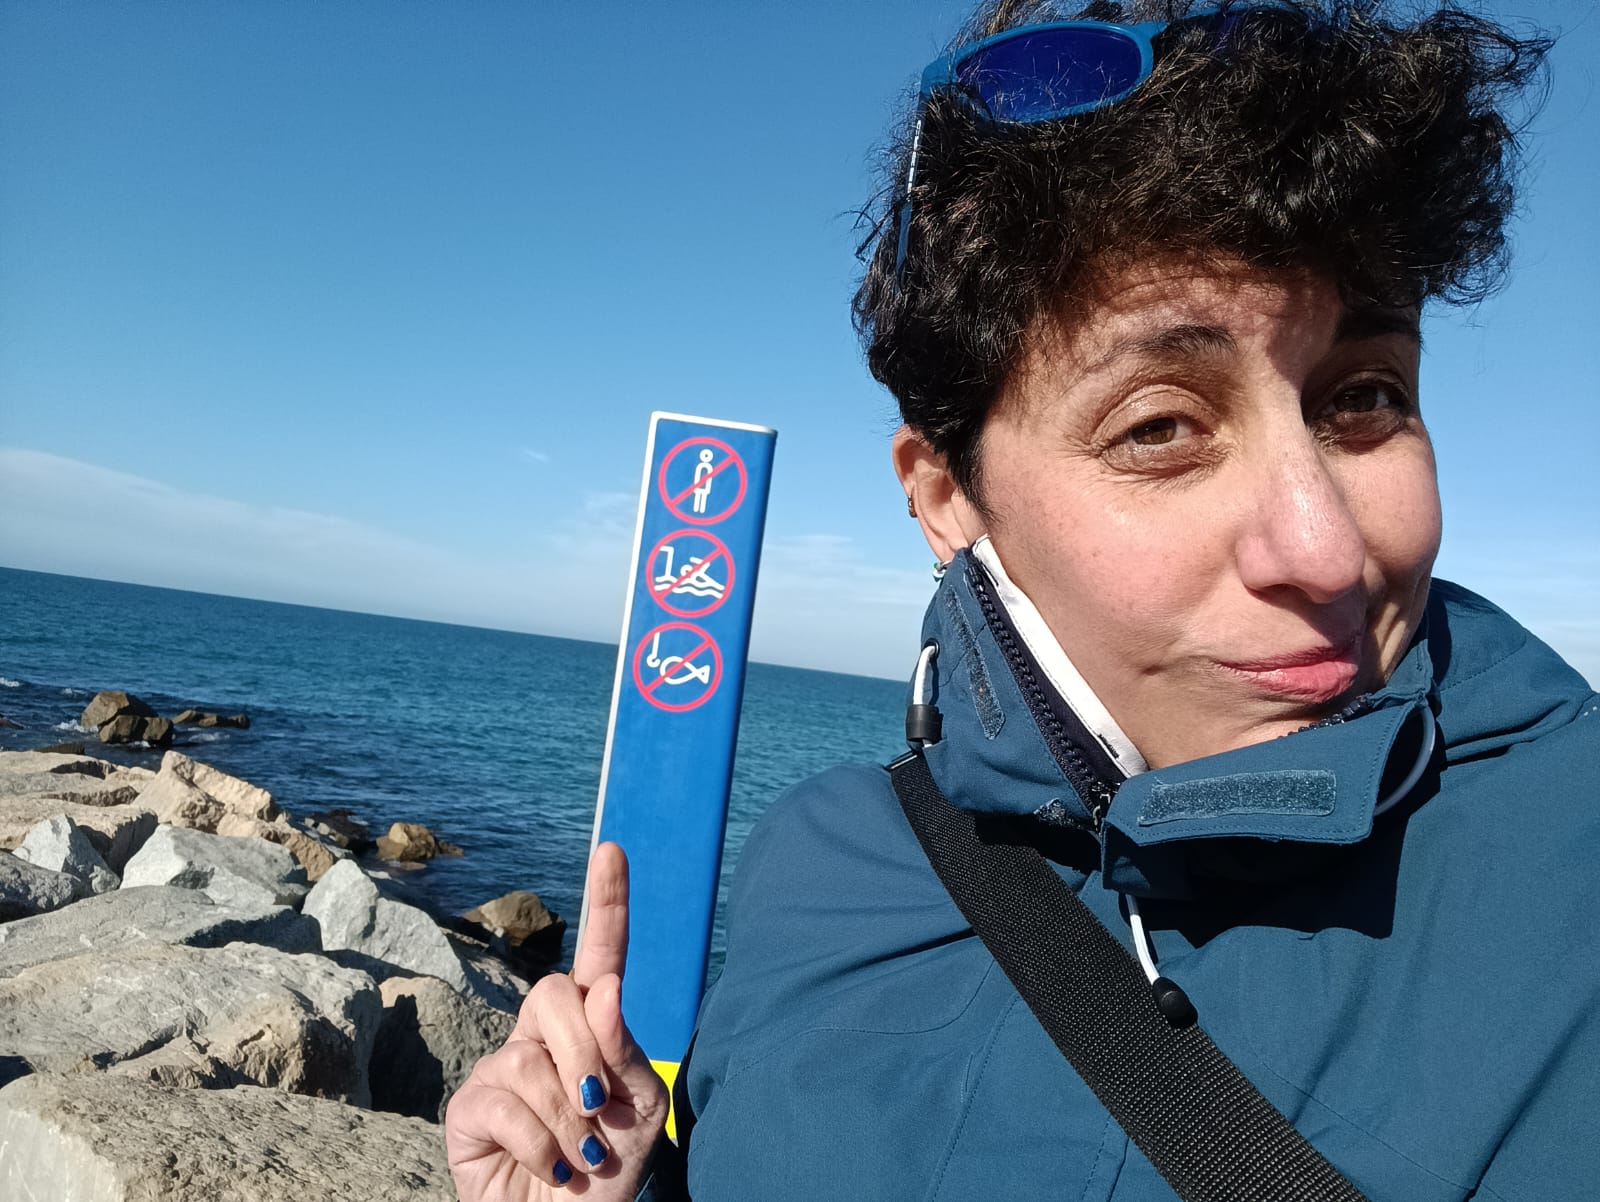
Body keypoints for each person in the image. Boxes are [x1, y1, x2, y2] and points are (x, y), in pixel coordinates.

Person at [446, 2, 1599, 1198]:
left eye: (1364, 397)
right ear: (945, 495)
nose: (1324, 548)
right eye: (1159, 425)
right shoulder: (825, 859)